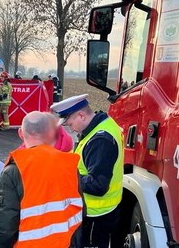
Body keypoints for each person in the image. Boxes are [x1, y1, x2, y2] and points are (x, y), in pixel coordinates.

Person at [0, 111, 83, 248]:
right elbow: (81, 210)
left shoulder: (13, 171)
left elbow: (6, 225)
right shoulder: (69, 165)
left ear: (20, 133)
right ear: (50, 134)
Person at [51, 94, 124, 248]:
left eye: (70, 124)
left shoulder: (100, 140)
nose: (71, 128)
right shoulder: (101, 126)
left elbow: (98, 185)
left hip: (96, 214)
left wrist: (65, 177)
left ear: (81, 115)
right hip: (99, 211)